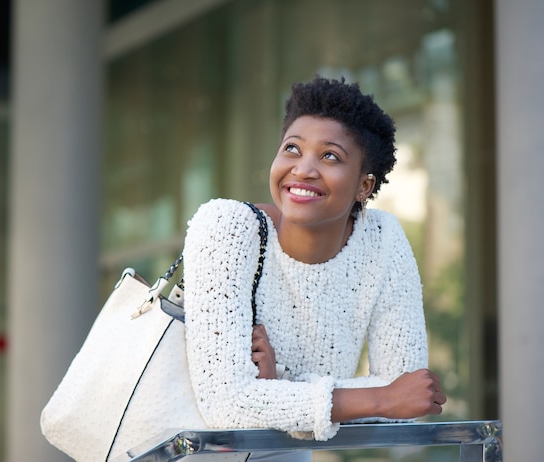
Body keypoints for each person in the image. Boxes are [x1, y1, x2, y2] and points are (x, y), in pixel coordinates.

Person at [181, 76, 446, 461]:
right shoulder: (227, 227)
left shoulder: (382, 240)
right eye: (292, 149)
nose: (303, 170)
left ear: (364, 186)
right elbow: (226, 405)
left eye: (330, 156)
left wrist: (281, 385)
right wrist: (377, 397)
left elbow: (402, 406)